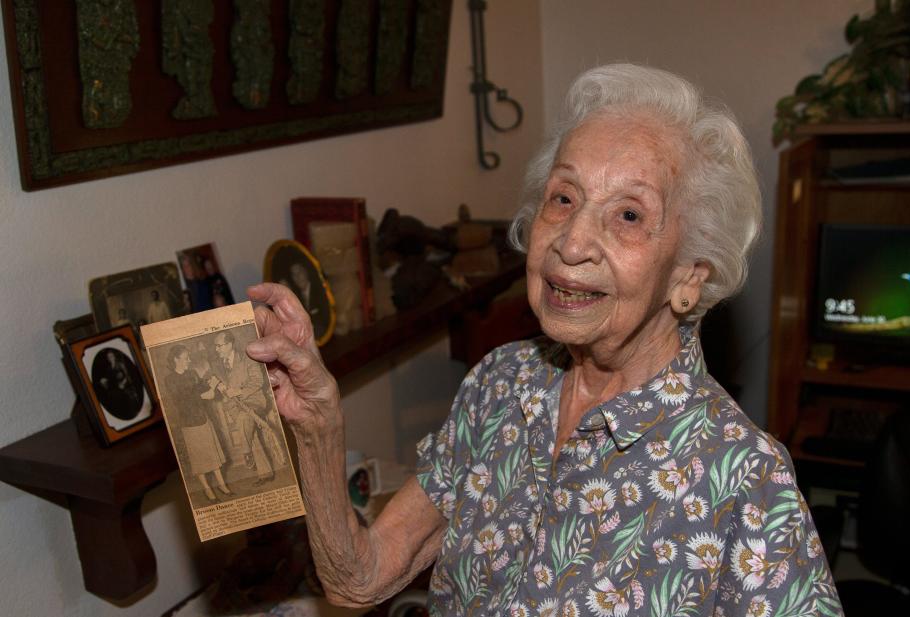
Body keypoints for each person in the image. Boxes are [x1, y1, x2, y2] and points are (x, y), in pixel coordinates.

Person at [245, 64, 841, 615]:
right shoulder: (499, 385)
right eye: (564, 198)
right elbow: (359, 580)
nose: (572, 241)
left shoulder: (742, 475)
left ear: (688, 275)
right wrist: (318, 428)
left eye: (628, 215)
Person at [211, 330, 282, 486]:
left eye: (219, 346)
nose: (217, 349)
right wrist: (218, 387)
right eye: (216, 346)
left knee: (245, 419)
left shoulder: (247, 358)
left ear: (230, 344)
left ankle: (246, 452)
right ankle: (265, 474)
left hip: (255, 401)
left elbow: (258, 381)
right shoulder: (218, 365)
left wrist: (238, 391)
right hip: (234, 406)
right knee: (250, 432)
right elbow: (220, 385)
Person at [164, 344, 232, 502]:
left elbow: (202, 386)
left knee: (211, 453)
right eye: (185, 357)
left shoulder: (192, 373)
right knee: (198, 457)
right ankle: (207, 489)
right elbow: (180, 399)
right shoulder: (170, 380)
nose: (189, 360)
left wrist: (214, 383)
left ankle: (222, 485)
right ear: (176, 359)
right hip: (189, 422)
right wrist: (203, 395)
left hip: (203, 418)